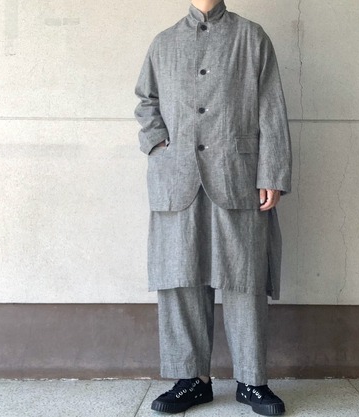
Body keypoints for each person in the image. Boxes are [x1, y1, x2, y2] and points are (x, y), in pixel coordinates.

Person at [134, 0, 292, 415]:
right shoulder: (164, 43)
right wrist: (158, 144)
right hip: (177, 177)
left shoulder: (251, 37)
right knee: (181, 277)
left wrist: (272, 172)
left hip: (237, 174)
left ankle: (252, 381)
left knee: (244, 277)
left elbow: (271, 108)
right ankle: (192, 380)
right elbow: (146, 100)